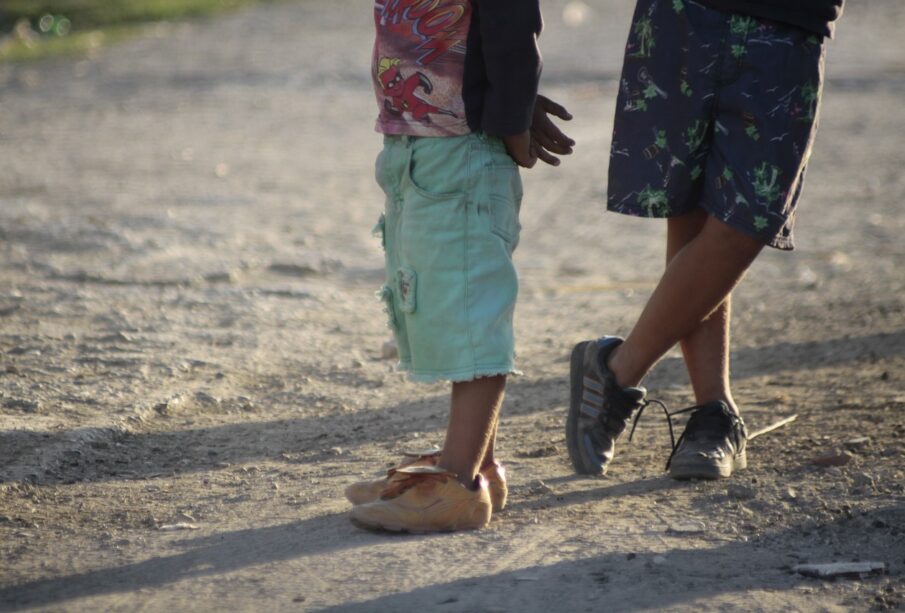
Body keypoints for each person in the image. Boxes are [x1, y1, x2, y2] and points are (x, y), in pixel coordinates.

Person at [566, 0, 844, 480]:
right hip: (682, 16)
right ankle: (714, 414)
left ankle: (616, 369)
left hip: (791, 21)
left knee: (751, 218)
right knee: (691, 204)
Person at [347, 0, 574, 533]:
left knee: (472, 306)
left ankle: (459, 482)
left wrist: (512, 118)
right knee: (443, 301)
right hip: (414, 143)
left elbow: (513, 24)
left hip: (464, 148)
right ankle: (481, 464)